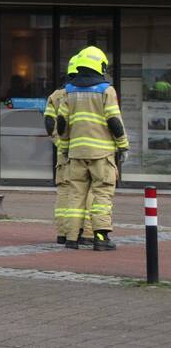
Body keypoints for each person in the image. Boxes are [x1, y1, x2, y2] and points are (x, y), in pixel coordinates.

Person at [57, 46, 130, 251]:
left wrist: (64, 148)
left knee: (75, 195)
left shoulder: (69, 91)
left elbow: (62, 124)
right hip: (101, 154)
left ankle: (72, 238)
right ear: (100, 66)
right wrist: (123, 146)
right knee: (102, 195)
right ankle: (100, 238)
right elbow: (114, 121)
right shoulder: (106, 90)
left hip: (76, 153)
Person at [43, 56, 92, 246]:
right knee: (87, 191)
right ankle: (85, 232)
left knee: (64, 191)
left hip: (64, 153)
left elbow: (49, 123)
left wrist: (60, 143)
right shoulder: (89, 93)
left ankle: (64, 232)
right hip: (85, 151)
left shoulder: (56, 95)